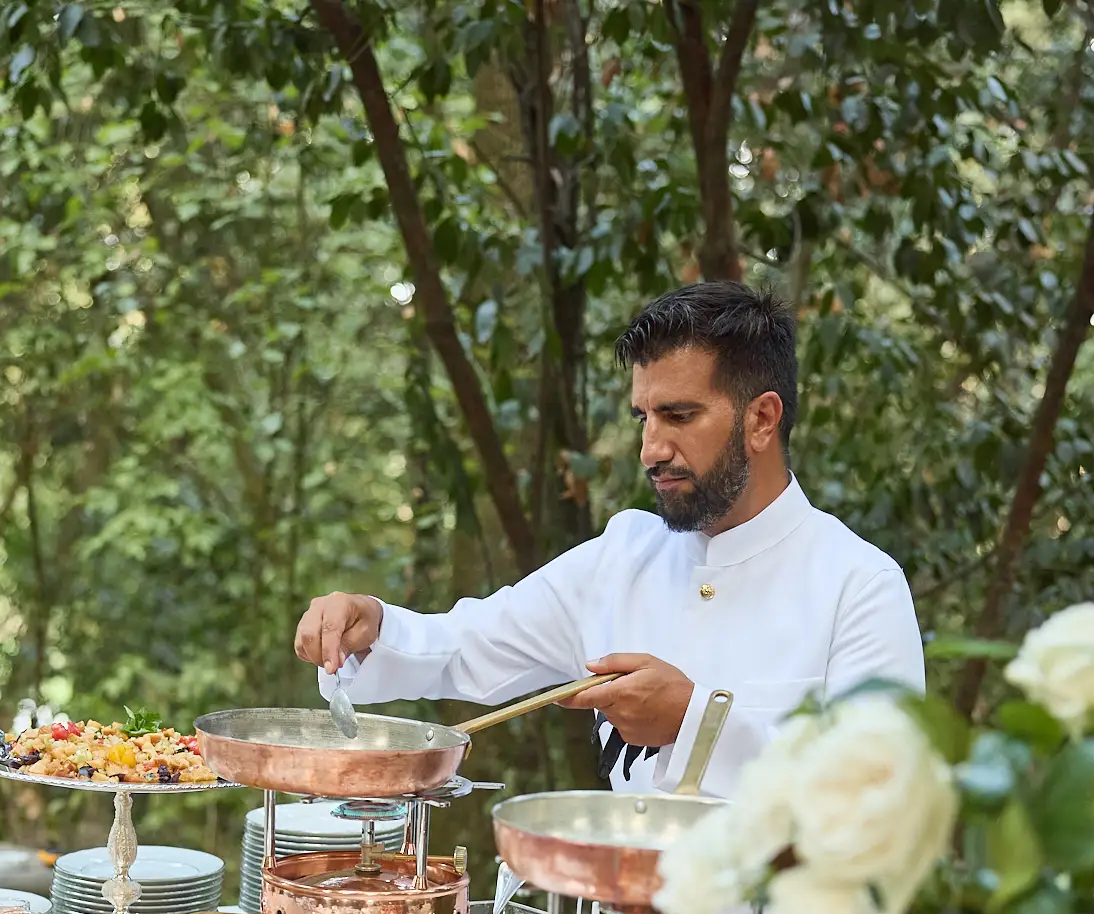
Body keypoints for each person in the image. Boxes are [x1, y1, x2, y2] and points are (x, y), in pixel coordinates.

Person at [294, 280, 924, 798]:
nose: (651, 450)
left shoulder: (858, 585)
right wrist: (371, 625)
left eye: (679, 416)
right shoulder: (622, 558)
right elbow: (463, 648)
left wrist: (695, 723)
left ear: (761, 418)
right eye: (643, 418)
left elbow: (883, 803)